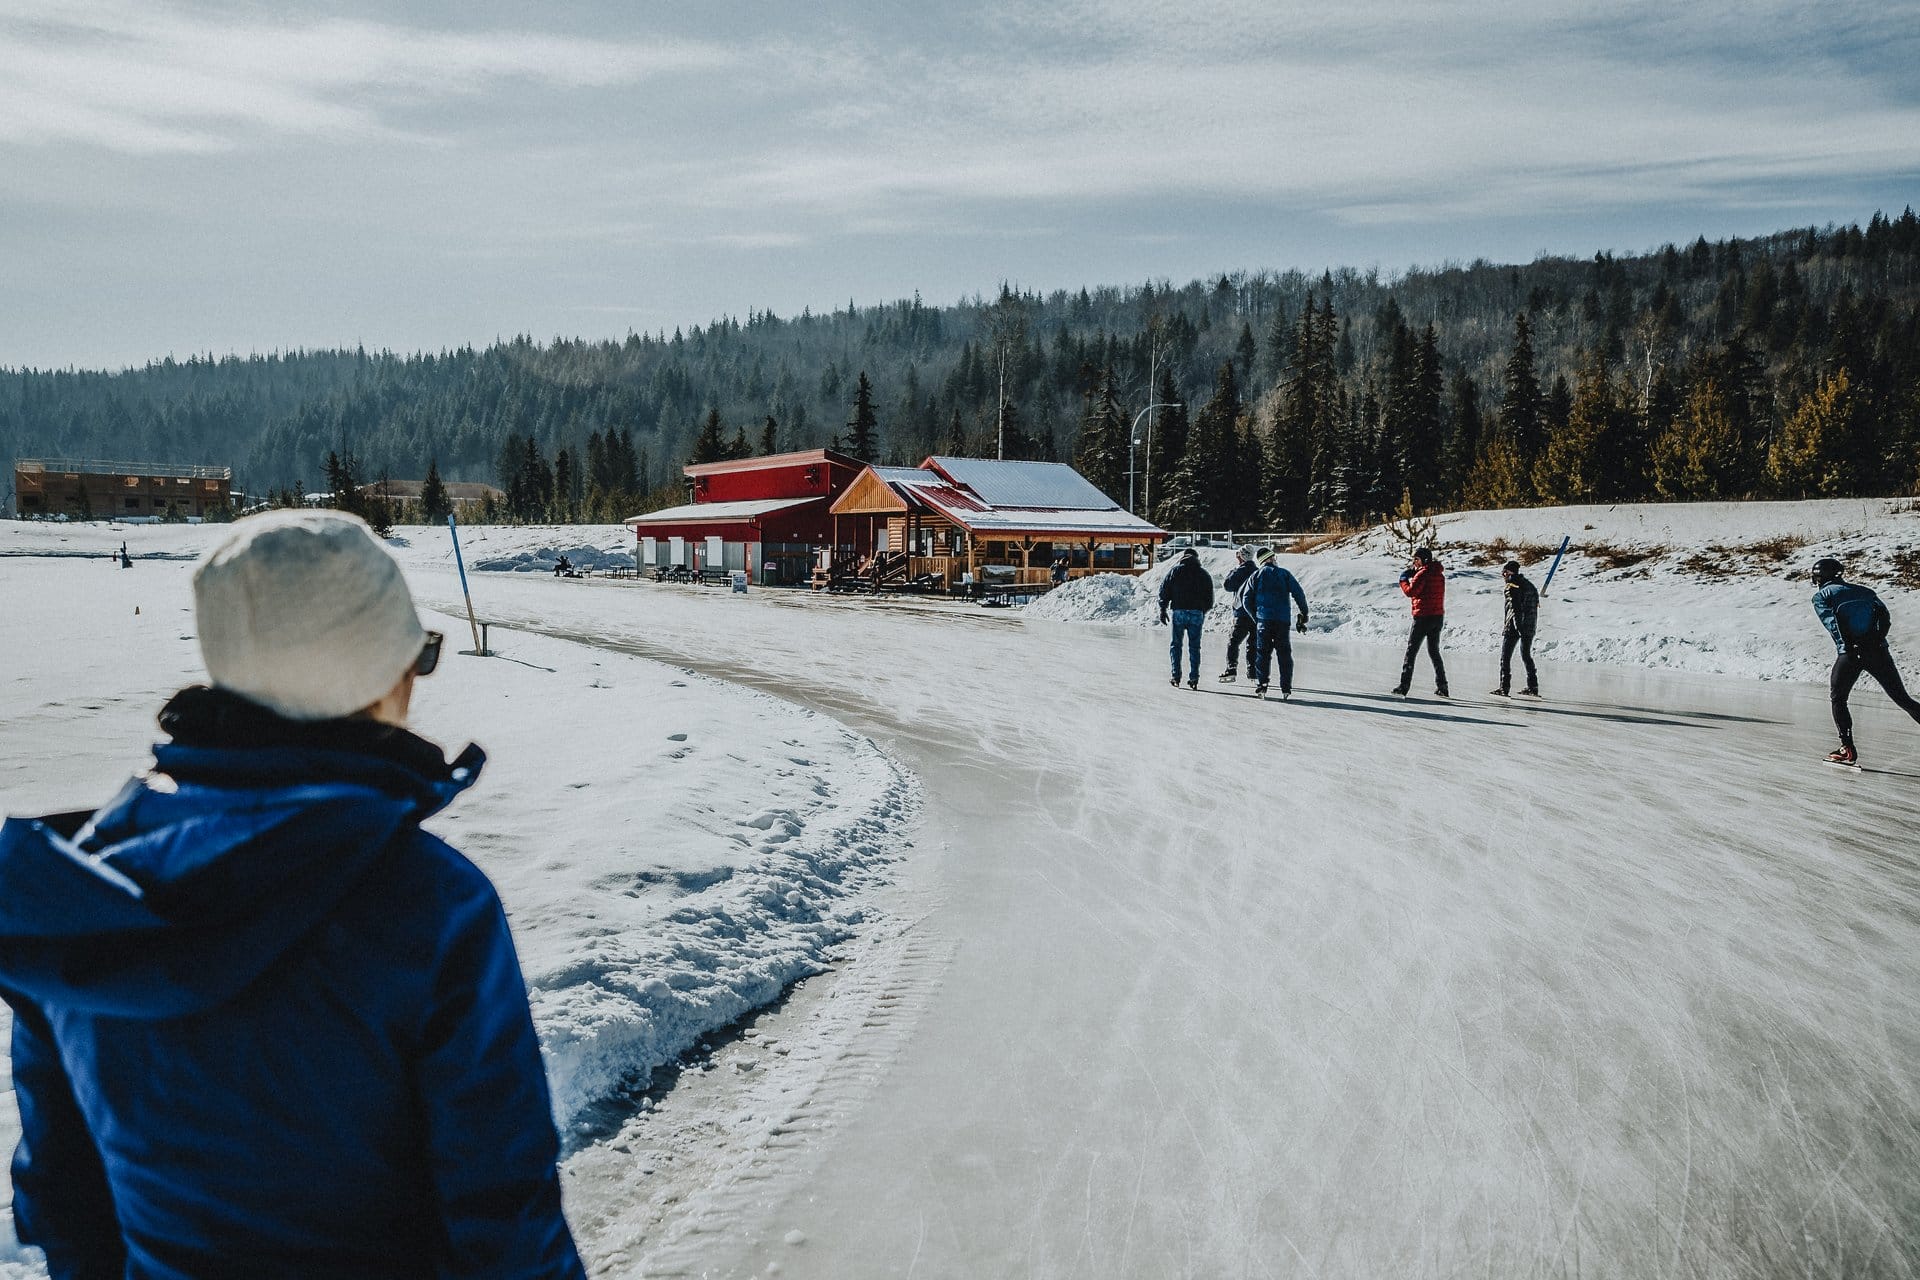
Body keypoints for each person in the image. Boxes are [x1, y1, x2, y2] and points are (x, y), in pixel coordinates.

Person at [0, 510, 585, 1278]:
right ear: (383, 675)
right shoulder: (431, 904)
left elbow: (63, 1197)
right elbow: (503, 1212)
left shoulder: (75, 890)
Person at [1811, 556, 1920, 765]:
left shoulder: (1821, 597)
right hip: (1878, 651)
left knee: (1838, 698)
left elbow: (1833, 624)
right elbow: (1885, 617)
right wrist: (1876, 640)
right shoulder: (1866, 592)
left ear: (1818, 578)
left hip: (1850, 654)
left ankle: (1847, 749)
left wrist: (1851, 647)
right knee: (1902, 698)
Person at [1242, 547, 1309, 699]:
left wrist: (1256, 616)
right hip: (1282, 621)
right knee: (1284, 654)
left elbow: (1245, 600)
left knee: (1262, 654)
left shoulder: (1256, 576)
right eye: (1274, 558)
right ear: (1271, 558)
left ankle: (1262, 685)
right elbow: (1299, 593)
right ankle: (1285, 687)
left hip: (1263, 621)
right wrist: (1304, 612)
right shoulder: (1284, 574)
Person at [1393, 545, 1448, 697]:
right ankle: (1443, 686)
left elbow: (1411, 592)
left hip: (1423, 617)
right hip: (1437, 617)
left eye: (1416, 559)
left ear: (1424, 560)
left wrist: (1403, 580)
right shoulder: (1439, 574)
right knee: (1434, 651)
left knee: (1411, 651)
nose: (1414, 563)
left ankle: (1404, 686)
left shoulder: (1422, 574)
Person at [1157, 547, 1214, 689]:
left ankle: (1176, 676)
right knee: (1195, 646)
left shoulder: (1175, 571)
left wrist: (1163, 609)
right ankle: (1194, 678)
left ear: (1184, 557)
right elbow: (1209, 597)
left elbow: (1164, 590)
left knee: (1176, 644)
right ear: (1196, 558)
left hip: (1179, 611)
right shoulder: (1203, 574)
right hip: (1196, 613)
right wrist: (1201, 610)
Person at [1490, 559, 1541, 696]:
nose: (1503, 576)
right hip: (1530, 625)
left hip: (1514, 627)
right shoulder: (1529, 585)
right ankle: (1533, 686)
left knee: (1505, 658)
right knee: (1526, 655)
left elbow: (1515, 609)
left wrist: (1518, 628)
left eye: (1503, 572)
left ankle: (1504, 687)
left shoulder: (1512, 586)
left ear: (1508, 572)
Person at [1216, 546, 1258, 683]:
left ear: (1242, 556)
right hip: (1256, 613)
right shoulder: (1258, 571)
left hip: (1242, 613)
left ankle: (1231, 668)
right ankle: (1252, 671)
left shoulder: (1240, 571)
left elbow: (1228, 585)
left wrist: (1232, 571)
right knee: (1253, 642)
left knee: (1233, 641)